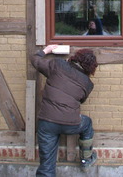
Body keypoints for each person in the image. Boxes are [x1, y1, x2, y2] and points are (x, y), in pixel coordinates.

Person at [31, 45, 98, 177]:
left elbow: (34, 59)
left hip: (47, 122)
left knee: (46, 167)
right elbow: (81, 100)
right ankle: (86, 158)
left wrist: (47, 50)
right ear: (91, 68)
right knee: (87, 123)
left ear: (76, 58)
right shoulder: (88, 84)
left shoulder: (57, 64)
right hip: (71, 124)